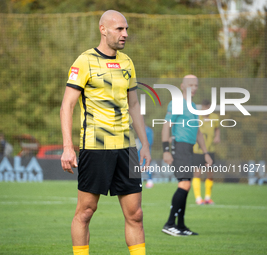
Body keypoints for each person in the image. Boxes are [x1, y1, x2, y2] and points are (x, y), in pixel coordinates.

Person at [60, 10, 151, 255]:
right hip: (95, 147)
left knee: (136, 214)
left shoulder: (127, 62)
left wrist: (144, 145)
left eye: (127, 29)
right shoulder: (84, 61)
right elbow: (67, 105)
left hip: (127, 148)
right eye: (120, 29)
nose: (125, 34)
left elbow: (134, 106)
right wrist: (68, 147)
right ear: (103, 29)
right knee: (86, 212)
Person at [161, 75, 213, 236]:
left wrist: (205, 153)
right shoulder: (177, 103)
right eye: (190, 84)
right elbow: (166, 126)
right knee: (184, 184)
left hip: (189, 148)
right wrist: (166, 150)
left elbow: (197, 132)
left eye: (196, 85)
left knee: (187, 184)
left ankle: (181, 225)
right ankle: (170, 224)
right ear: (182, 86)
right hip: (180, 146)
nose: (194, 87)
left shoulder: (193, 107)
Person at [192, 100, 220, 205]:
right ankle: (198, 198)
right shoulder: (197, 117)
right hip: (198, 150)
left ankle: (208, 197)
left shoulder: (215, 117)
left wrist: (217, 136)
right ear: (202, 107)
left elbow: (217, 129)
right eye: (205, 107)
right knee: (197, 173)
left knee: (210, 174)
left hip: (210, 150)